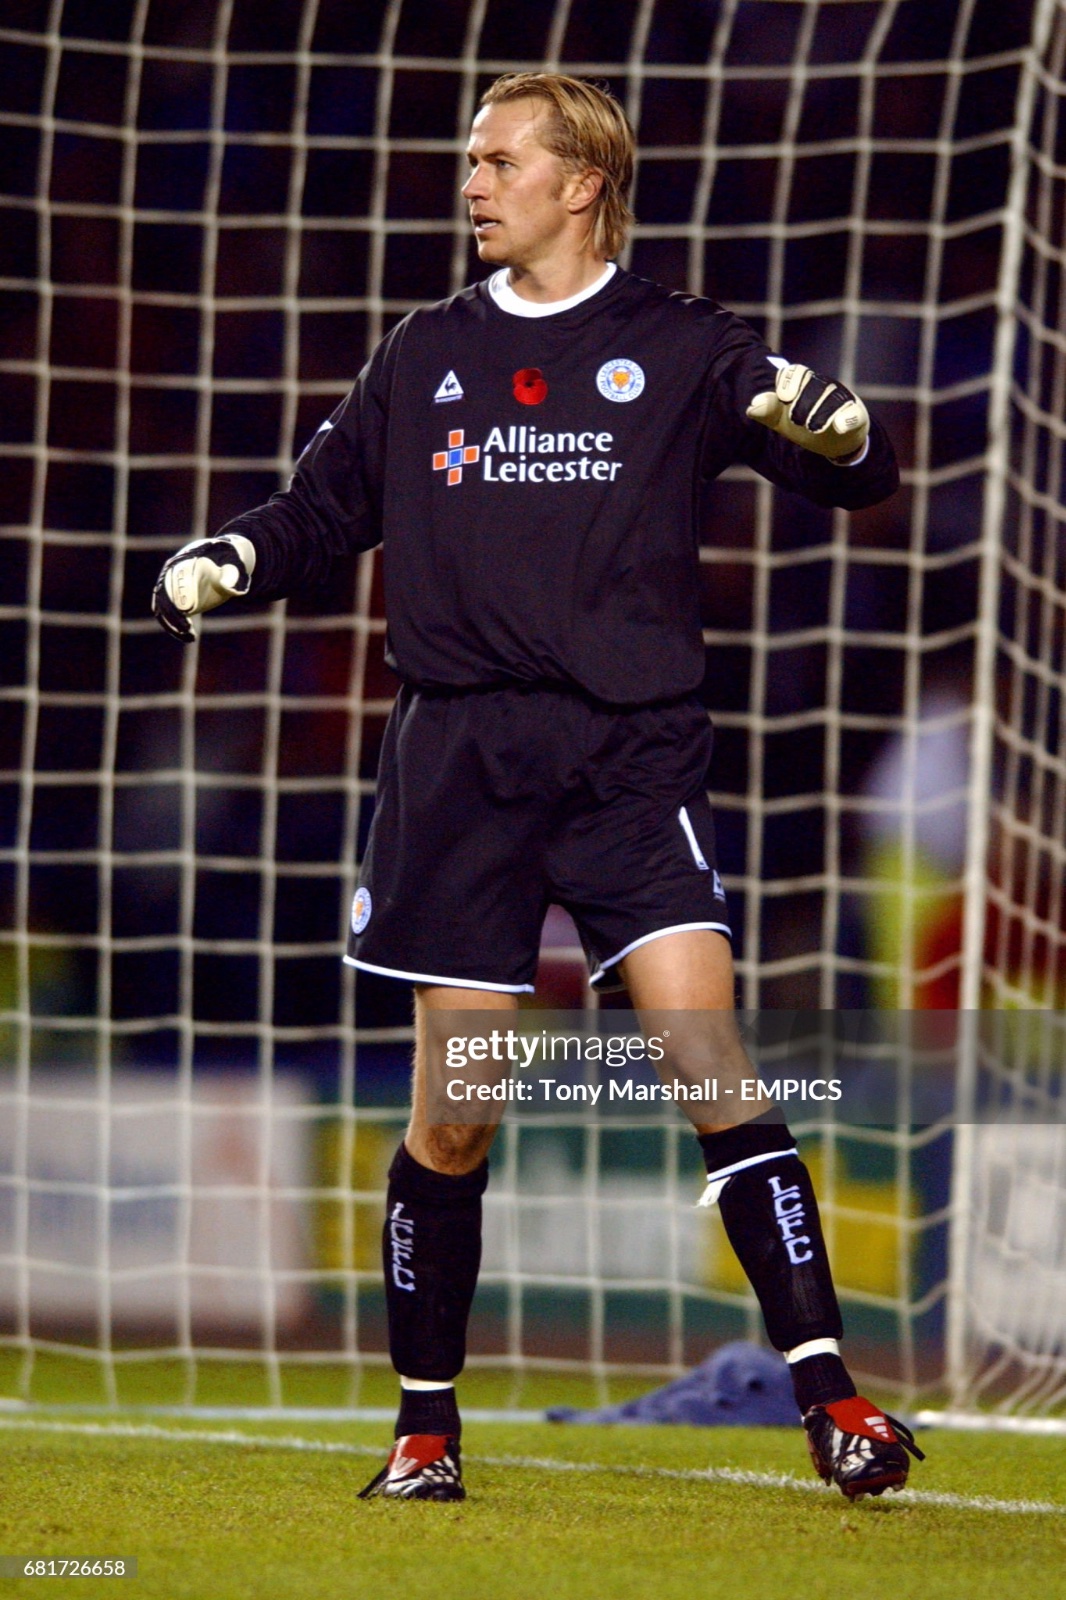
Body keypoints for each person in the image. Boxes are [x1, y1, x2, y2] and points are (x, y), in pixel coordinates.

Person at [153, 72, 923, 1502]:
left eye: (501, 159)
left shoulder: (686, 345)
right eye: (471, 159)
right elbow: (323, 510)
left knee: (707, 1056)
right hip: (459, 760)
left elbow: (857, 471)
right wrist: (235, 561)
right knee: (460, 1104)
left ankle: (833, 1402)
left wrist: (835, 424)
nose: (473, 180)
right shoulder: (421, 348)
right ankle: (425, 1429)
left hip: (630, 752)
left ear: (584, 182)